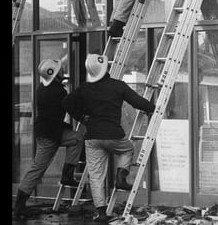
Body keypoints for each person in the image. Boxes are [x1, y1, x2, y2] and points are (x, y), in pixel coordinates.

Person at [63, 54, 156, 223]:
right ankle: (121, 176)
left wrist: (81, 117)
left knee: (96, 177)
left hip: (92, 138)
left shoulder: (84, 88)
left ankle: (102, 213)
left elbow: (67, 102)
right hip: (114, 135)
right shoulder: (117, 86)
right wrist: (153, 108)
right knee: (127, 149)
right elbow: (138, 102)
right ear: (106, 68)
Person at [13, 59, 86, 220]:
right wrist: (83, 116)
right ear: (54, 74)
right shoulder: (58, 91)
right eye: (60, 70)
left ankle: (67, 175)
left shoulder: (44, 87)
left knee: (76, 138)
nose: (63, 71)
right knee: (37, 169)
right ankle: (19, 207)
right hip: (50, 135)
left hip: (51, 131)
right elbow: (69, 106)